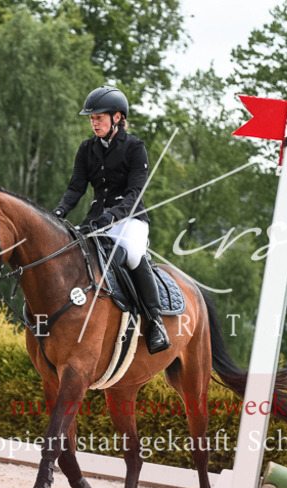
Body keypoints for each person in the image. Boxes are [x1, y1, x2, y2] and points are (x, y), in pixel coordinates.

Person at [52, 86, 170, 354]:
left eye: (99, 118)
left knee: (131, 256)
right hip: (96, 219)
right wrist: (59, 212)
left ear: (117, 117)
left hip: (130, 219)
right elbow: (76, 188)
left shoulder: (135, 147)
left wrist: (112, 216)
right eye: (91, 119)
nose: (94, 123)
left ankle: (155, 321)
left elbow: (134, 192)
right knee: (72, 255)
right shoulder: (86, 149)